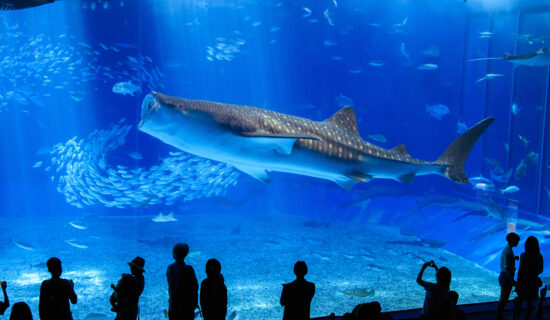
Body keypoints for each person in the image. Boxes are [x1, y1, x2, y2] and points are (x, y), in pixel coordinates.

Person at [167, 243, 199, 320]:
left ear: (173, 254)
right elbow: (195, 287)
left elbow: (170, 283)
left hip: (173, 305)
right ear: (186, 254)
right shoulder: (189, 269)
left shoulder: (170, 268)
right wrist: (195, 303)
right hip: (187, 305)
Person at [515, 236, 543, 320]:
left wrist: (518, 284)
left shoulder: (523, 255)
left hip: (523, 282)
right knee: (530, 305)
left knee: (519, 303)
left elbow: (520, 271)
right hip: (533, 282)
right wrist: (533, 273)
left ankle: (516, 318)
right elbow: (540, 270)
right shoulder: (539, 256)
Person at [495, 232, 520, 320]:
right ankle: (497, 316)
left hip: (504, 276)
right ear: (513, 241)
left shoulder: (507, 249)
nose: (518, 242)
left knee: (504, 298)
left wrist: (514, 258)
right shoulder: (509, 251)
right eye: (517, 241)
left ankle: (498, 315)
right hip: (506, 277)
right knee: (503, 299)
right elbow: (506, 268)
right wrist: (512, 280)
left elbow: (506, 263)